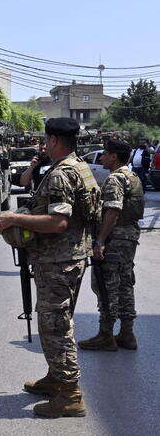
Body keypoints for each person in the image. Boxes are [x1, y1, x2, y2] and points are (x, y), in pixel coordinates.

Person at [0, 117, 100, 418]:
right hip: (70, 258)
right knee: (58, 321)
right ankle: (57, 377)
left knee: (55, 326)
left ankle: (69, 395)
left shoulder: (61, 174)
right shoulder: (80, 167)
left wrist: (14, 219)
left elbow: (58, 222)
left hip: (59, 261)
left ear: (54, 140)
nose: (43, 144)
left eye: (45, 140)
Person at [79, 140, 144, 351]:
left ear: (114, 156)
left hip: (114, 239)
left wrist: (99, 242)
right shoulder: (132, 176)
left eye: (105, 154)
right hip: (129, 238)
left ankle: (105, 335)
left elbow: (113, 211)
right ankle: (127, 333)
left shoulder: (115, 179)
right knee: (125, 284)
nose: (103, 158)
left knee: (106, 285)